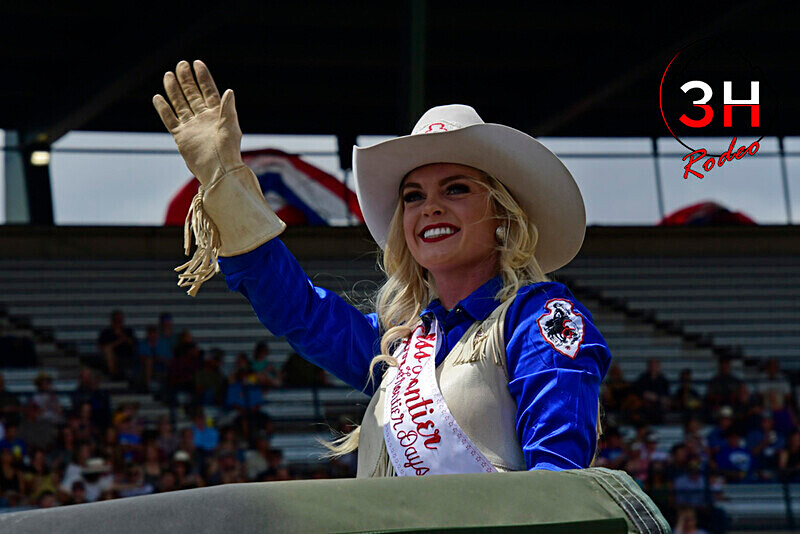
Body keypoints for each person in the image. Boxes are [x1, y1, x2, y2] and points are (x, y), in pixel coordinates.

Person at [153, 60, 667, 529]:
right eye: (413, 197)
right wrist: (223, 182)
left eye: (457, 189)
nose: (430, 209)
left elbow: (557, 480)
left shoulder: (537, 318)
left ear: (504, 215)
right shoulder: (397, 345)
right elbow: (300, 311)